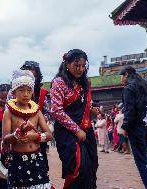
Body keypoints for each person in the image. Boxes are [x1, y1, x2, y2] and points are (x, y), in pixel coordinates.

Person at [50, 49, 99, 189]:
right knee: (77, 169)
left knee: (92, 166)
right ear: (67, 64)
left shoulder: (85, 83)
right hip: (67, 133)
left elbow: (86, 104)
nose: (81, 69)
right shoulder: (59, 83)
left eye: (84, 66)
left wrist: (92, 109)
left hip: (86, 130)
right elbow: (57, 111)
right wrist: (77, 131)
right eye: (77, 65)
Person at [3, 69, 53, 189]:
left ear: (32, 93)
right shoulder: (8, 113)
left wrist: (35, 136)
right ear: (14, 92)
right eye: (21, 90)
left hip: (37, 158)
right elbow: (5, 140)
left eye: (29, 90)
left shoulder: (37, 112)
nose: (25, 94)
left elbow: (49, 135)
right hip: (18, 159)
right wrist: (17, 134)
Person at [120, 66, 147, 189]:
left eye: (122, 76)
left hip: (136, 129)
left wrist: (125, 127)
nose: (121, 79)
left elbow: (130, 111)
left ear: (126, 74)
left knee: (141, 161)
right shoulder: (146, 84)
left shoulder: (129, 88)